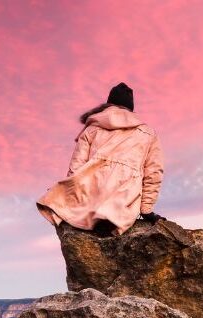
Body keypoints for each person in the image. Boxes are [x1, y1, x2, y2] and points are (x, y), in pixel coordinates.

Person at [36, 82, 165, 236]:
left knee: (61, 201)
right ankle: (108, 217)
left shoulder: (91, 129)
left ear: (109, 103)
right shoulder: (148, 133)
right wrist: (146, 210)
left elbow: (75, 168)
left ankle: (92, 216)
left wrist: (67, 193)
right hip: (124, 197)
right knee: (117, 211)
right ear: (131, 108)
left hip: (91, 194)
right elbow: (153, 174)